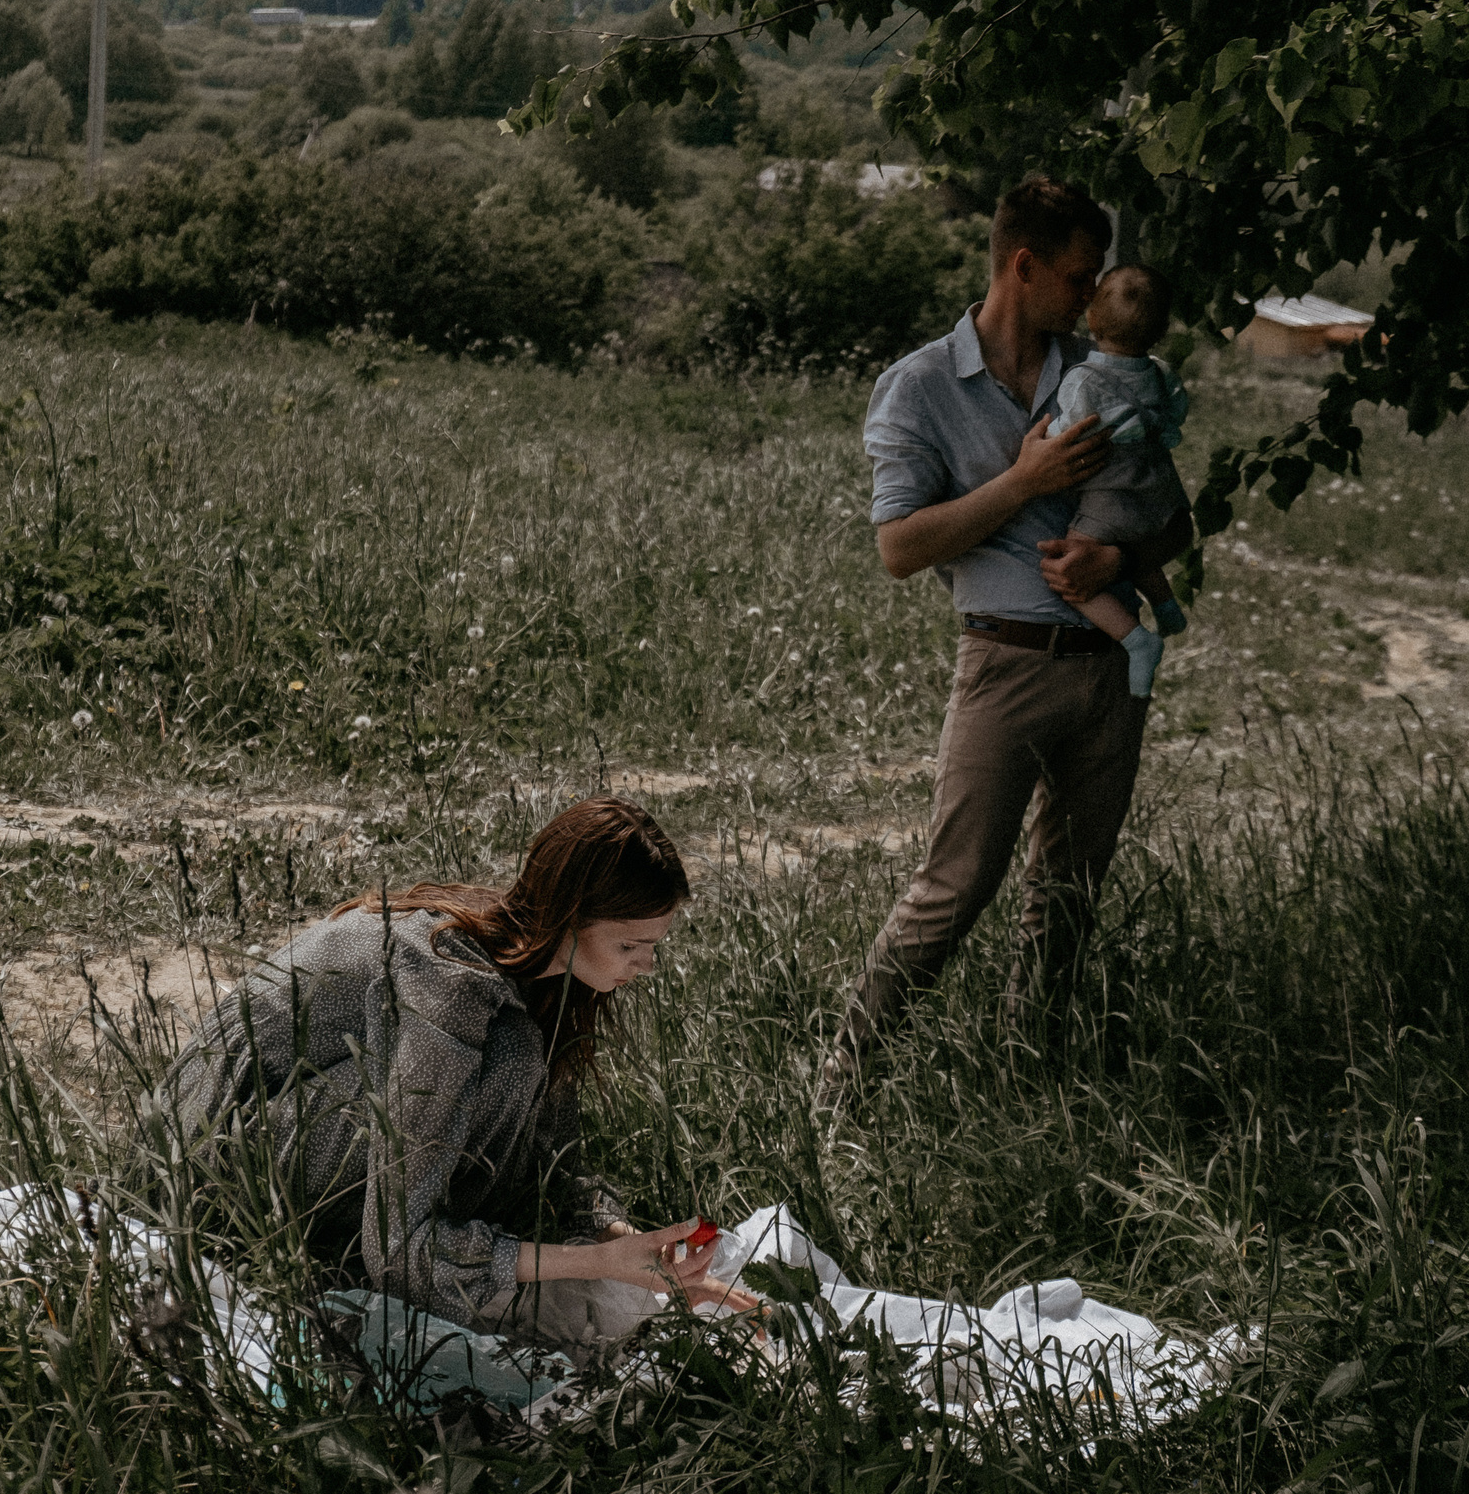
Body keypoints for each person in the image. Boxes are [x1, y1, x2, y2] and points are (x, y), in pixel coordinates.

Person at [823, 177, 1194, 1110]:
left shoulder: (1103, 363)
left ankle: (1033, 1084)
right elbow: (900, 548)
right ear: (1022, 267)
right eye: (1076, 275)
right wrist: (1023, 483)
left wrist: (1116, 550)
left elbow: (1171, 517)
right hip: (1004, 666)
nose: (1091, 291)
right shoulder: (919, 387)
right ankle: (837, 1086)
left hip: (1109, 669)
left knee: (1067, 901)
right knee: (953, 890)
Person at [141, 797, 751, 1359]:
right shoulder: (451, 986)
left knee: (512, 1067)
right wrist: (598, 1261)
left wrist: (637, 1248)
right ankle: (326, 1262)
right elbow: (401, 1249)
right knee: (506, 1064)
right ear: (571, 918)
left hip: (297, 1145)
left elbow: (548, 1170)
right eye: (629, 946)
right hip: (207, 1176)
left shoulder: (547, 979)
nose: (645, 967)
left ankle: (366, 1258)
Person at [1045, 263, 1192, 697]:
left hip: (1113, 492)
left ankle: (1136, 640)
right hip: (1161, 487)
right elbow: (1174, 418)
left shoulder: (1084, 379)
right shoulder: (1163, 374)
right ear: (1161, 330)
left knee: (1068, 570)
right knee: (1139, 546)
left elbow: (1066, 435)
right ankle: (1166, 607)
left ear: (1091, 318)